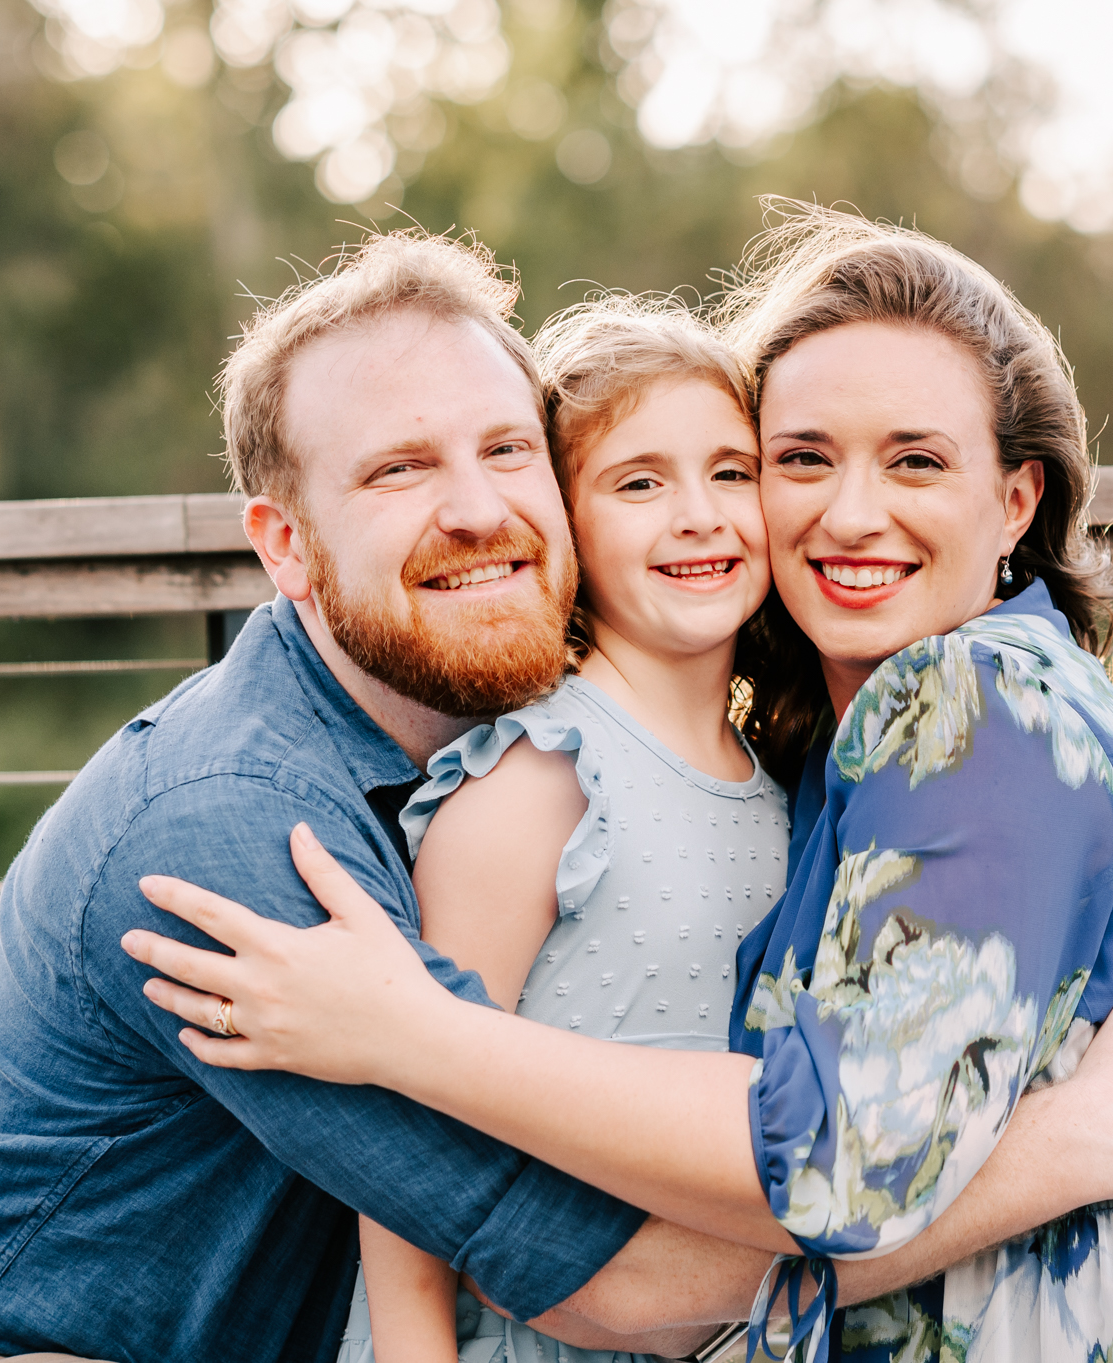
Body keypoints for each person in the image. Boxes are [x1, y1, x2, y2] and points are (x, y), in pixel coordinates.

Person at [0, 228, 1113, 1363]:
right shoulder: (238, 831)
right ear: (282, 543)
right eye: (399, 472)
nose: (476, 509)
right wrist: (1082, 1142)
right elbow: (606, 1284)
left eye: (502, 450)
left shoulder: (636, 738)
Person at [341, 297, 785, 1363]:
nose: (699, 515)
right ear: (564, 519)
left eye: (731, 471)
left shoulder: (778, 786)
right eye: (639, 482)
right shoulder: (537, 778)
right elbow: (407, 1119)